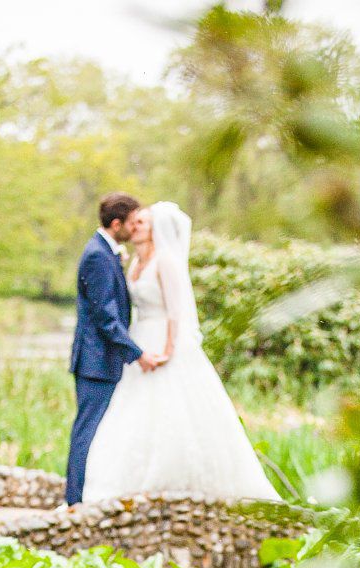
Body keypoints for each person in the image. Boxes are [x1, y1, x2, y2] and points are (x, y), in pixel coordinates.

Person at [82, 201, 279, 503]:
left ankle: (178, 482)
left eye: (142, 223)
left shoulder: (166, 261)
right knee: (133, 410)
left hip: (163, 341)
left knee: (172, 407)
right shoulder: (134, 262)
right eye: (134, 223)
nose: (134, 227)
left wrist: (169, 349)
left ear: (156, 230)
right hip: (140, 340)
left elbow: (176, 312)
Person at [65, 193, 164, 506]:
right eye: (130, 223)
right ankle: (75, 501)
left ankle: (84, 496)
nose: (133, 229)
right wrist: (137, 353)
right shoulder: (97, 255)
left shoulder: (107, 252)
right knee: (88, 431)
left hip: (101, 360)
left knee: (99, 430)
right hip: (95, 362)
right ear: (116, 223)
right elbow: (105, 317)